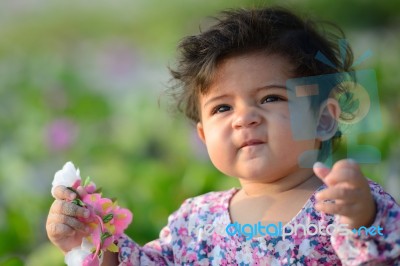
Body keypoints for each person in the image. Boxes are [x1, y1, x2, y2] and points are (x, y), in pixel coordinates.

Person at [46, 6, 400, 265]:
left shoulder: (344, 204)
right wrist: (90, 237)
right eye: (222, 108)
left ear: (323, 119)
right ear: (202, 135)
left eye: (270, 98)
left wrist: (362, 219)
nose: (244, 118)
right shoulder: (194, 219)